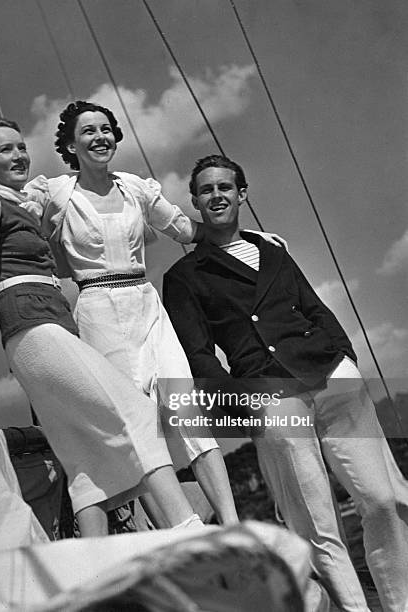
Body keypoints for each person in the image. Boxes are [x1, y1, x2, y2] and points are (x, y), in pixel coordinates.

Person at [162, 154, 408, 612]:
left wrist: (345, 357)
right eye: (206, 190)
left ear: (242, 194)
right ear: (194, 202)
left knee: (383, 499)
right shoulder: (184, 277)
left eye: (225, 187)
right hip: (268, 390)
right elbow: (200, 357)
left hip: (331, 375)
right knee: (315, 523)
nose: (217, 196)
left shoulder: (274, 251)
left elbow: (314, 308)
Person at [22, 100, 286, 525]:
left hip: (146, 304)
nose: (99, 137)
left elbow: (187, 230)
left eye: (105, 129)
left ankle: (233, 525)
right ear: (70, 145)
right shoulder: (54, 193)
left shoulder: (135, 189)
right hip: (97, 311)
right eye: (87, 131)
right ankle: (181, 530)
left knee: (185, 410)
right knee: (134, 428)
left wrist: (248, 238)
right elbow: (13, 219)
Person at [0, 116, 207, 537]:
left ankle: (93, 565)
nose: (18, 155)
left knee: (82, 456)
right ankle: (189, 528)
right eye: (4, 150)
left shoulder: (24, 202)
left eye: (20, 147)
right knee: (139, 413)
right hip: (30, 323)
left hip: (53, 320)